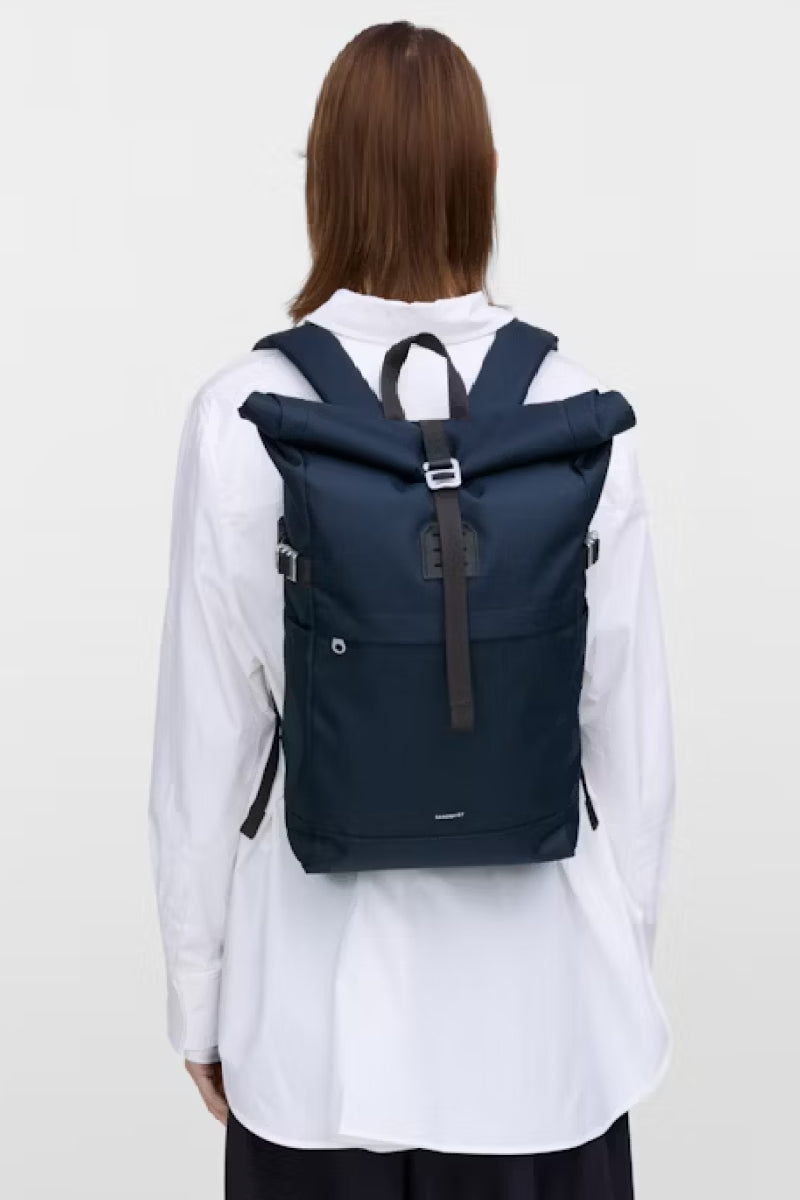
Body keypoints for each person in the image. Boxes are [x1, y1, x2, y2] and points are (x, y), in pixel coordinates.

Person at [148, 20, 675, 1200]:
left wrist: (200, 998)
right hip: (544, 1036)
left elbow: (205, 750)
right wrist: (617, 961)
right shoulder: (577, 408)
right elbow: (628, 745)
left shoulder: (243, 412)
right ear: (484, 177)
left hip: (314, 1034)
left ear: (320, 181)